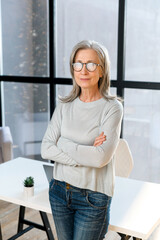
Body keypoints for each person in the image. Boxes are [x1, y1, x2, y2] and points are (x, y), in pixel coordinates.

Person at [41, 40, 123, 240]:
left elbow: (99, 159)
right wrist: (84, 152)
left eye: (91, 64)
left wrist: (63, 143)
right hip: (59, 189)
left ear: (102, 70)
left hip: (93, 198)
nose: (83, 70)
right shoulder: (64, 105)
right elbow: (45, 149)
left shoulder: (111, 108)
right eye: (78, 64)